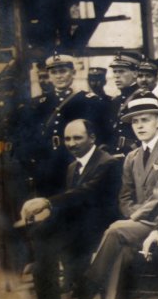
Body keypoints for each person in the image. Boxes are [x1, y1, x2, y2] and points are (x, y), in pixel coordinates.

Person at [49, 94, 158, 299]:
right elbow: (124, 197)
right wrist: (133, 215)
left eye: (145, 120)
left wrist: (137, 216)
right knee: (121, 252)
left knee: (116, 231)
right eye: (135, 121)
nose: (139, 125)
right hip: (138, 225)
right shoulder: (132, 157)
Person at [20, 119, 121, 299]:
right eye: (67, 138)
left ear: (92, 138)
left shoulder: (107, 163)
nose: (72, 143)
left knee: (48, 240)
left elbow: (86, 194)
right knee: (41, 238)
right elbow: (72, 206)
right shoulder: (73, 167)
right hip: (79, 229)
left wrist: (47, 202)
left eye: (78, 138)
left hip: (102, 229)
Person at [23, 53, 108, 198]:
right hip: (47, 164)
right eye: (53, 72)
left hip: (74, 161)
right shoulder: (39, 104)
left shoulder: (89, 101)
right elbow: (32, 136)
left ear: (73, 73)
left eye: (63, 71)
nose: (59, 76)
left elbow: (100, 134)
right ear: (49, 76)